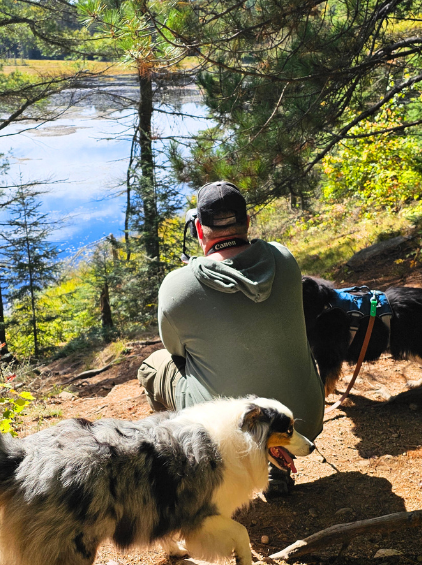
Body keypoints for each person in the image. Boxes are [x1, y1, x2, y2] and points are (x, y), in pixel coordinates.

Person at [137, 181, 324, 496]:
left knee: (152, 366)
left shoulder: (177, 286)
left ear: (199, 229)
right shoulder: (284, 259)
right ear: (247, 221)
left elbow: (176, 353)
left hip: (229, 432)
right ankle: (274, 459)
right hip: (303, 416)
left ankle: (192, 468)